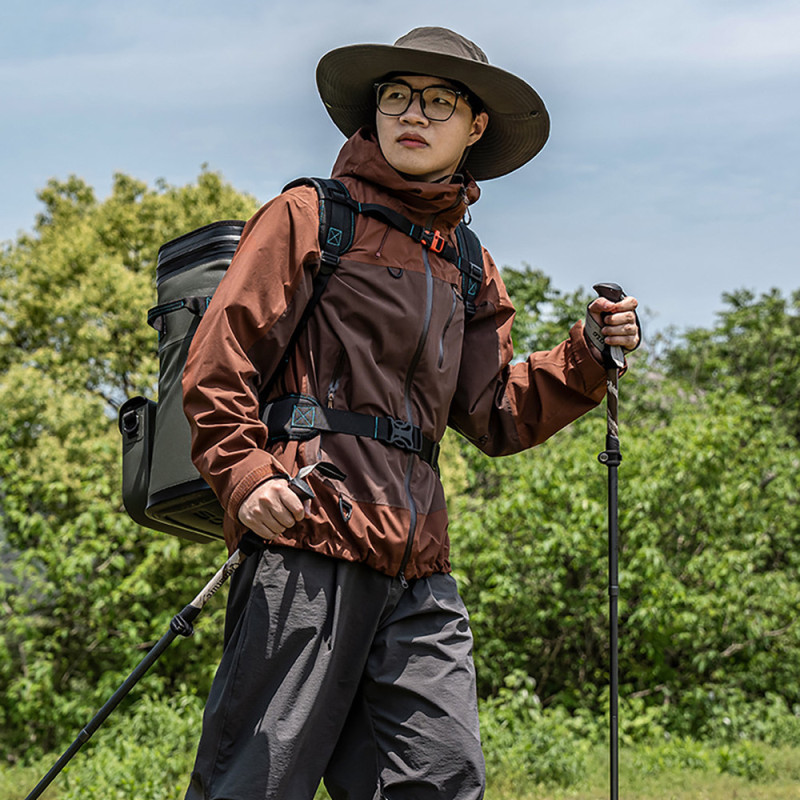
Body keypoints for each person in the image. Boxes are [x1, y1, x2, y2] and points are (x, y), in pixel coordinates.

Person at [182, 26, 640, 800]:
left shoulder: (467, 262)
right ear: (374, 113)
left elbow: (493, 410)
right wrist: (246, 474)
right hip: (307, 541)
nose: (413, 114)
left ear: (476, 125)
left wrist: (587, 355)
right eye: (396, 97)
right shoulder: (310, 215)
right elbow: (219, 361)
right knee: (257, 783)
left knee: (442, 777)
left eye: (437, 101)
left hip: (418, 569)